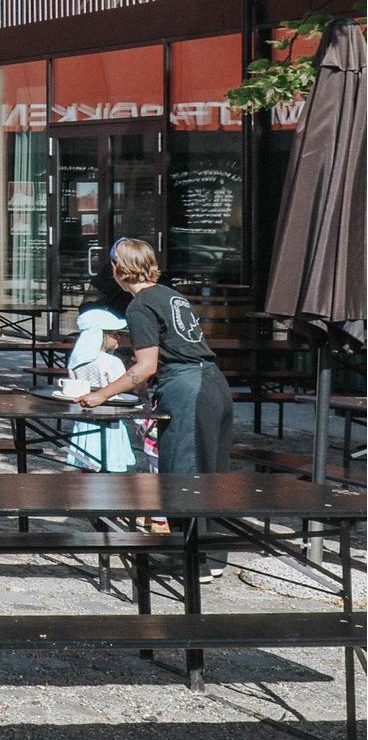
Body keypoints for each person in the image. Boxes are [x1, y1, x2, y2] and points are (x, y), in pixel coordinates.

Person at [80, 238, 234, 576]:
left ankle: (190, 562)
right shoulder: (171, 295)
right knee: (211, 472)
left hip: (186, 387)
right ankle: (212, 557)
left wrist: (102, 394)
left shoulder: (139, 306)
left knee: (183, 474)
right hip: (214, 382)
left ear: (118, 269)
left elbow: (146, 366)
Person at [64, 306, 137, 472]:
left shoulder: (76, 360)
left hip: (84, 421)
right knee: (110, 467)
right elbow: (122, 389)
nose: (119, 337)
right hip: (110, 419)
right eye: (115, 334)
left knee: (86, 468)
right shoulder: (112, 362)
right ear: (102, 335)